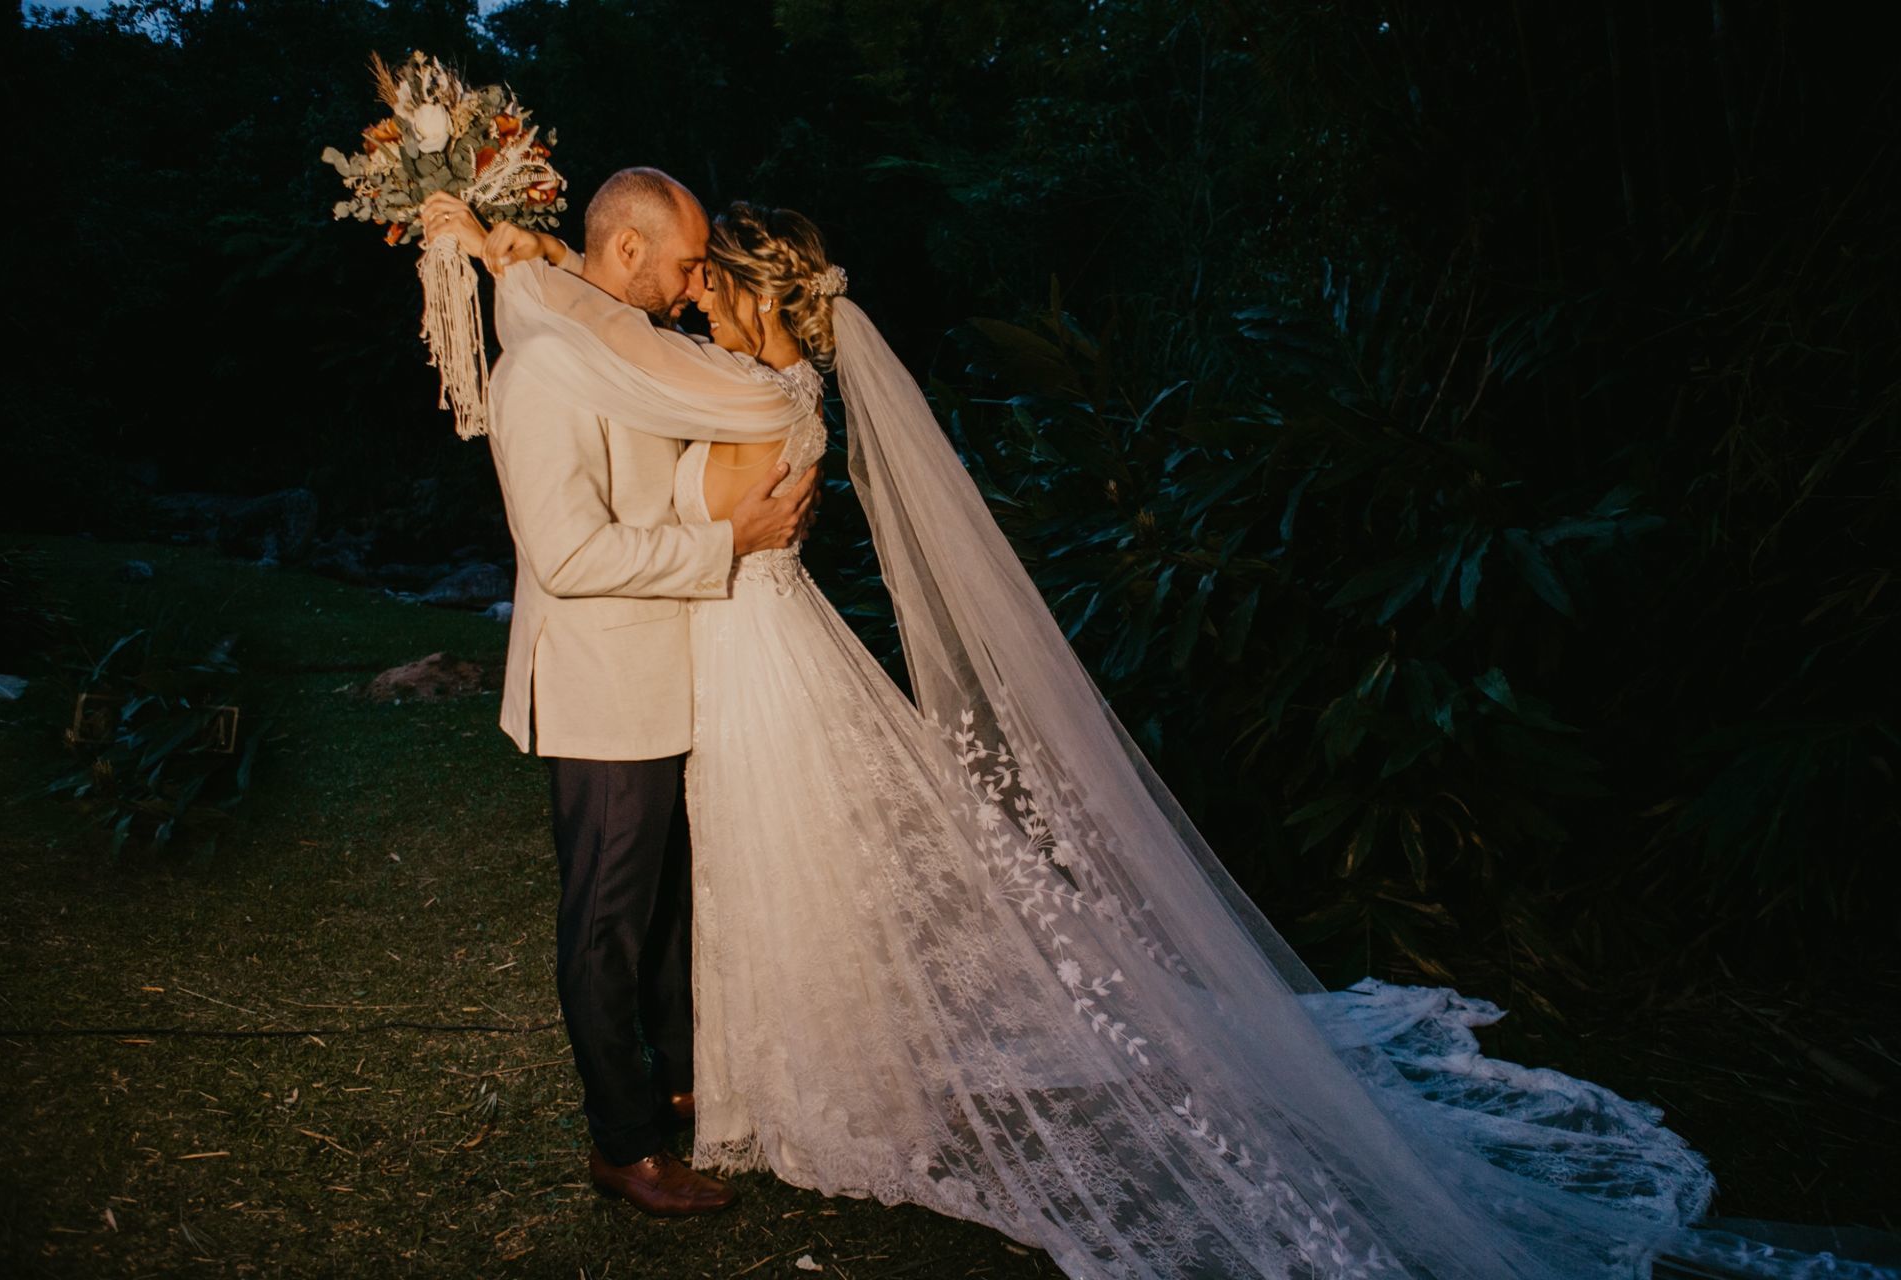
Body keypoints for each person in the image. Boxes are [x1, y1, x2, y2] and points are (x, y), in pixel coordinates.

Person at [451, 196, 1897, 1279]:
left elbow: (632, 394)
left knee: (750, 878)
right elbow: (601, 369)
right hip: (731, 650)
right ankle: (700, 1086)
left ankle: (712, 1092)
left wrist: (519, 266)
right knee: (726, 885)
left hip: (748, 651)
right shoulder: (746, 378)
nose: (685, 296)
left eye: (708, 278)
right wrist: (499, 250)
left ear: (749, 303)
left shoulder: (746, 388)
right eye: (678, 268)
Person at [420, 175, 822, 1217]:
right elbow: (568, 549)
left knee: (667, 905)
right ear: (632, 251)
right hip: (603, 685)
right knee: (605, 918)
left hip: (670, 671)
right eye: (687, 264)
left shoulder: (614, 343)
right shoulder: (548, 370)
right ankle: (625, 1143)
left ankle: (678, 1079)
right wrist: (727, 540)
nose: (696, 287)